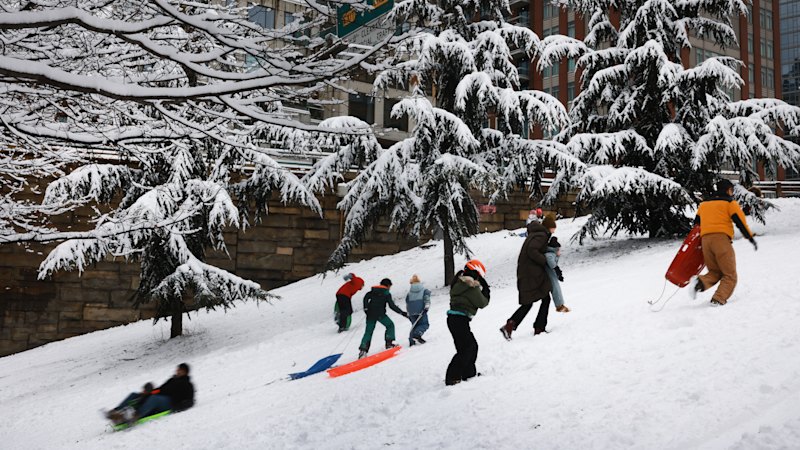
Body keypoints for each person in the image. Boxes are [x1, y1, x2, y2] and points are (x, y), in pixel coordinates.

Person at [691, 179, 757, 306]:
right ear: (728, 190)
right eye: (732, 190)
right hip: (721, 240)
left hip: (705, 241)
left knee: (715, 272)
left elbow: (696, 224)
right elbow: (740, 223)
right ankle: (718, 299)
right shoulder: (730, 203)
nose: (732, 193)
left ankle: (699, 283)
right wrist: (750, 238)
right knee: (730, 275)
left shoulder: (704, 204)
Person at [500, 214, 554, 340]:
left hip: (528, 273)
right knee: (544, 298)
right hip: (533, 274)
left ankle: (510, 325)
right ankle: (538, 328)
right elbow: (532, 250)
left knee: (529, 302)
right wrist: (545, 260)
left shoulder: (535, 234)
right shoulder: (541, 235)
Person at [445, 260, 490, 386]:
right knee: (468, 348)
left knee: (468, 347)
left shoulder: (459, 283)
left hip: (455, 319)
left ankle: (468, 374)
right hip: (460, 320)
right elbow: (482, 303)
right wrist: (486, 289)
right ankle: (452, 377)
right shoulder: (471, 286)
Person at [106, 363, 195, 424]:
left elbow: (190, 400)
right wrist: (148, 393)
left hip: (170, 403)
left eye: (181, 370)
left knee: (154, 399)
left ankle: (135, 416)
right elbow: (161, 389)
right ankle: (116, 413)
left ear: (185, 372)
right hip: (161, 398)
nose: (178, 371)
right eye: (178, 370)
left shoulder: (187, 384)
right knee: (134, 395)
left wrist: (178, 408)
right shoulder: (172, 380)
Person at [358, 279, 408, 358]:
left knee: (368, 331)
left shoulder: (372, 291)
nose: (390, 288)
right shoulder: (386, 293)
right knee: (390, 325)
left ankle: (363, 350)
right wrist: (402, 313)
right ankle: (389, 344)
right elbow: (392, 306)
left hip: (370, 314)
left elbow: (366, 298)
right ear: (388, 285)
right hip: (380, 314)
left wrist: (366, 308)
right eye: (390, 286)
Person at [545, 236, 570, 313]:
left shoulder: (552, 254)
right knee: (556, 288)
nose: (560, 251)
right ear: (555, 249)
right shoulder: (549, 255)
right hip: (549, 274)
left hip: (551, 273)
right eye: (559, 249)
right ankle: (559, 306)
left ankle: (560, 305)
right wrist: (557, 270)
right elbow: (552, 263)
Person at [405, 274, 432, 346]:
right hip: (421, 310)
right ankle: (417, 335)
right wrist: (426, 307)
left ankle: (411, 341)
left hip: (411, 311)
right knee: (424, 324)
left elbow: (407, 301)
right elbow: (427, 299)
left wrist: (408, 312)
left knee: (414, 325)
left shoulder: (409, 293)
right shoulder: (424, 291)